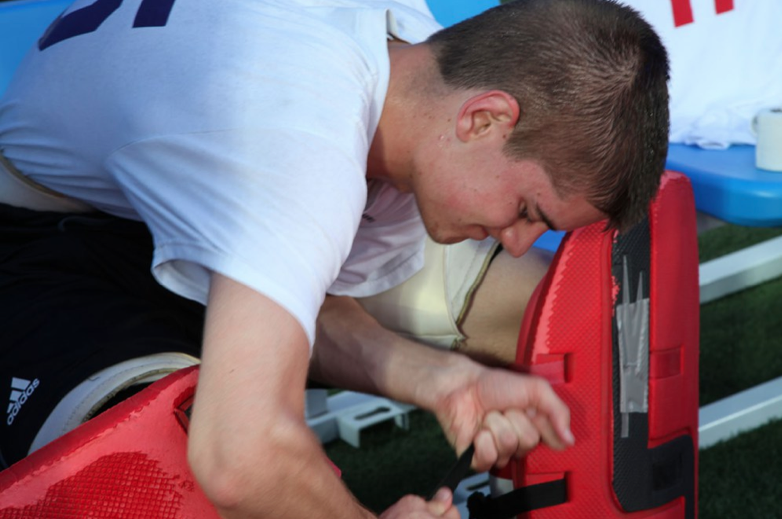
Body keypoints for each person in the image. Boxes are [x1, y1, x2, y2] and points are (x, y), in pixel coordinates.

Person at [0, 0, 669, 516]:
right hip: (38, 243)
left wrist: (439, 378)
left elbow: (296, 276)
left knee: (556, 310)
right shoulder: (301, 142)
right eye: (529, 211)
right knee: (158, 469)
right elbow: (238, 455)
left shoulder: (404, 50)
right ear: (483, 118)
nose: (521, 237)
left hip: (161, 197)